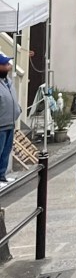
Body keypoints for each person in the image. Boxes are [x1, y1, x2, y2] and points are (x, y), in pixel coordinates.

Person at [0, 53, 20, 183]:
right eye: (5, 64)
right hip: (1, 124)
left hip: (10, 123)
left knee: (6, 153)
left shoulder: (9, 82)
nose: (8, 66)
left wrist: (18, 110)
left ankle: (1, 175)